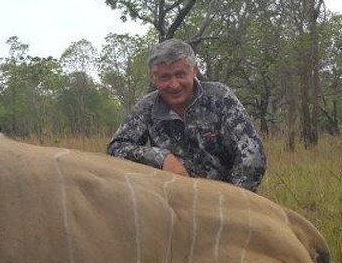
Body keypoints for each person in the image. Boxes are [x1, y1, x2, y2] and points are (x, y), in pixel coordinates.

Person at [107, 39, 266, 192]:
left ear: (194, 70)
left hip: (227, 197)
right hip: (174, 201)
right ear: (153, 78)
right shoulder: (146, 106)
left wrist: (231, 198)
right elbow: (116, 147)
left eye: (180, 74)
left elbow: (252, 153)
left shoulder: (220, 97)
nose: (174, 85)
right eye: (165, 77)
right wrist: (162, 157)